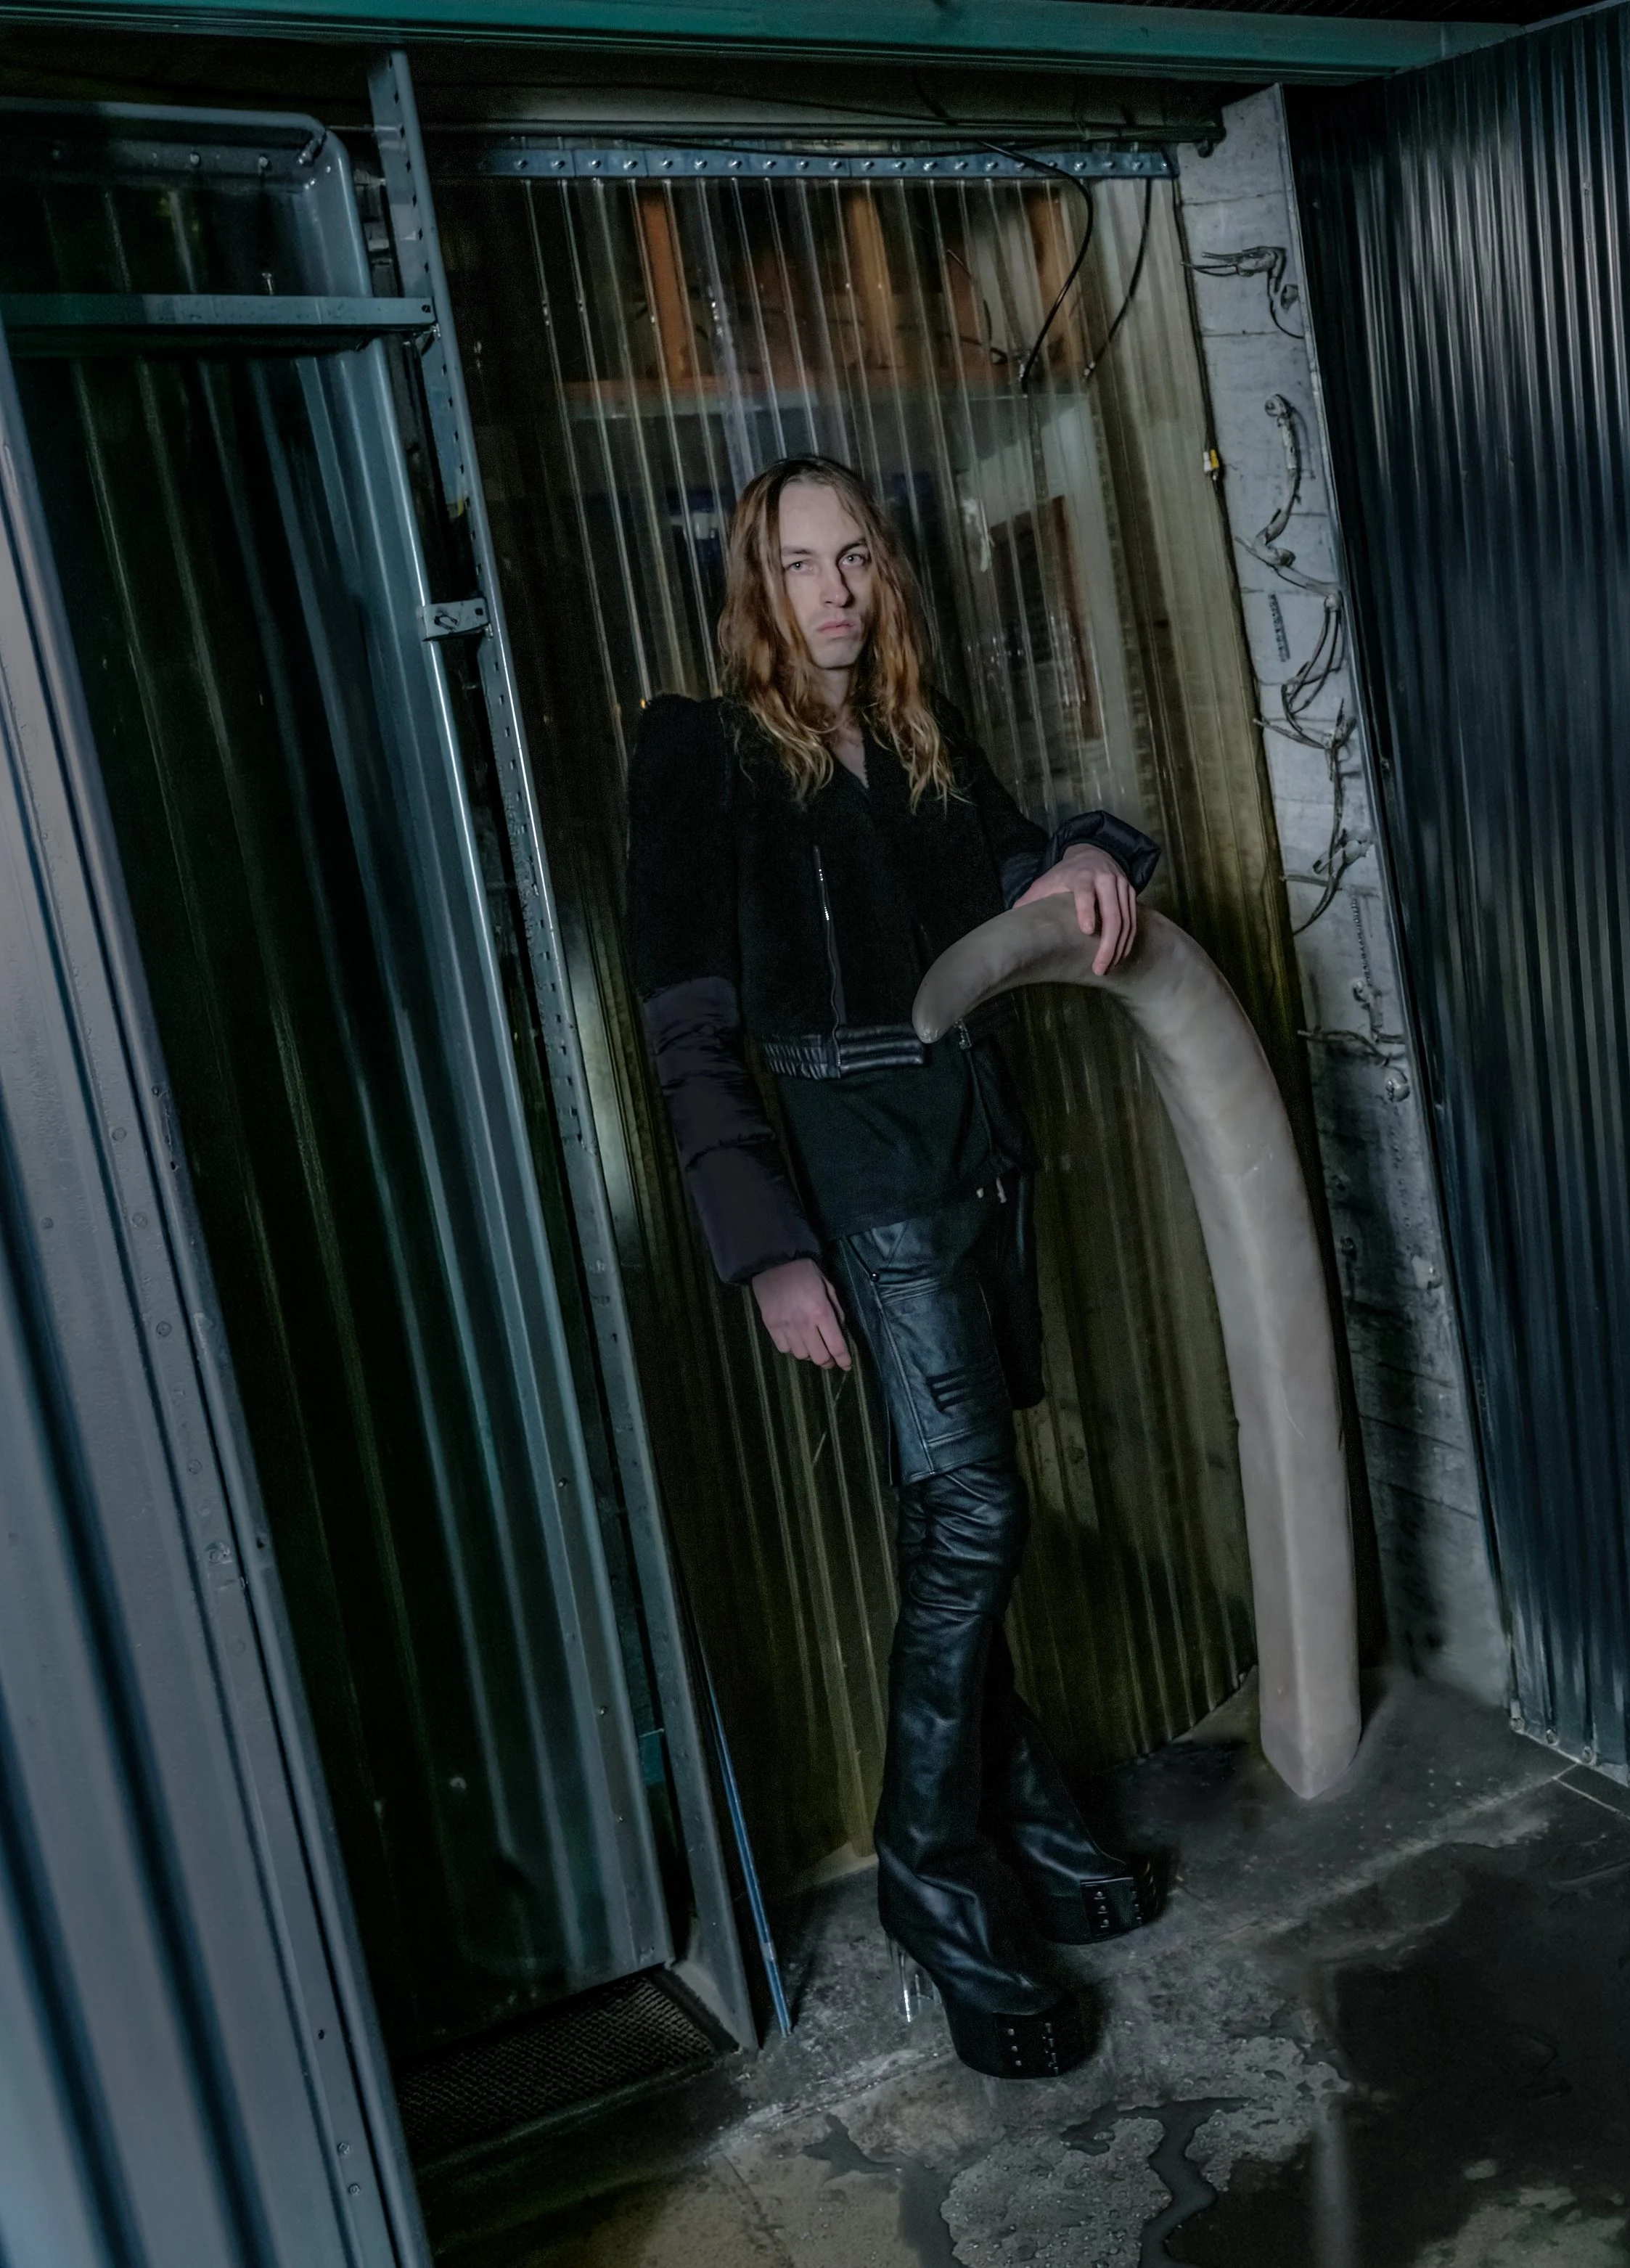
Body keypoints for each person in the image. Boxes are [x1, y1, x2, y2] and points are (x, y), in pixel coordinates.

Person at [626, 454, 1164, 2079]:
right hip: (853, 1179)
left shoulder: (918, 734)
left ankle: (1016, 1807)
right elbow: (687, 1025)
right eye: (798, 564)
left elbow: (1010, 864)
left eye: (855, 556)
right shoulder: (699, 748)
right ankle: (930, 1873)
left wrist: (1077, 858)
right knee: (977, 1508)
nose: (835, 590)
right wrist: (768, 1255)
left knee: (962, 1500)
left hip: (973, 1158)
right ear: (753, 588)